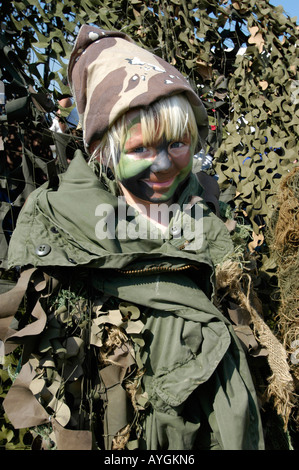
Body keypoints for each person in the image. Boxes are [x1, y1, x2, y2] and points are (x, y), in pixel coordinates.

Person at [0, 25, 264, 450]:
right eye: (140, 149)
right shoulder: (64, 230)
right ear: (104, 150)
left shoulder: (213, 219)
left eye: (177, 143)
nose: (162, 165)